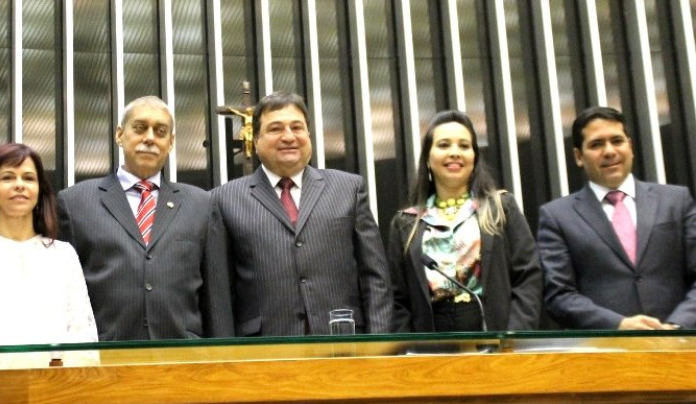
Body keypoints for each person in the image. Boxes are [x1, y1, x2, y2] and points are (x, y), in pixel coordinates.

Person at [212, 91, 392, 336]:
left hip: (343, 344)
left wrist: (378, 347)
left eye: (297, 127)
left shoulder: (348, 189)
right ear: (256, 140)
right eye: (275, 129)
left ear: (308, 134)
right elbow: (220, 293)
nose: (288, 136)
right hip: (265, 352)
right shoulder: (224, 200)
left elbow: (375, 277)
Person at [57, 96, 233, 340]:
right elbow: (62, 295)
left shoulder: (201, 204)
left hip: (183, 356)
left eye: (160, 132)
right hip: (105, 356)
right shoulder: (75, 203)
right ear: (120, 134)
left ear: (170, 143)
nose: (150, 138)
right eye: (139, 128)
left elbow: (216, 298)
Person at [0, 143, 97, 369]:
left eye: (29, 178)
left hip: (56, 392)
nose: (19, 185)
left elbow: (83, 337)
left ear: (40, 190)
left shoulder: (63, 255)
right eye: (8, 177)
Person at [537, 106, 696, 329]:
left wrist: (676, 327)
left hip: (680, 347)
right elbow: (559, 296)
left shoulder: (676, 201)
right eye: (596, 144)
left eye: (617, 141)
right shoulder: (557, 217)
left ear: (630, 147)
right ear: (579, 156)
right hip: (607, 353)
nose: (610, 151)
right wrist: (618, 325)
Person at [387, 110, 542, 332]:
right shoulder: (405, 223)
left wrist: (515, 336)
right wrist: (410, 351)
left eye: (464, 145)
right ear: (428, 159)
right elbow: (396, 299)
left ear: (475, 157)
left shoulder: (501, 207)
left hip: (496, 336)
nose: (454, 153)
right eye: (443, 145)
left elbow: (528, 276)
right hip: (430, 344)